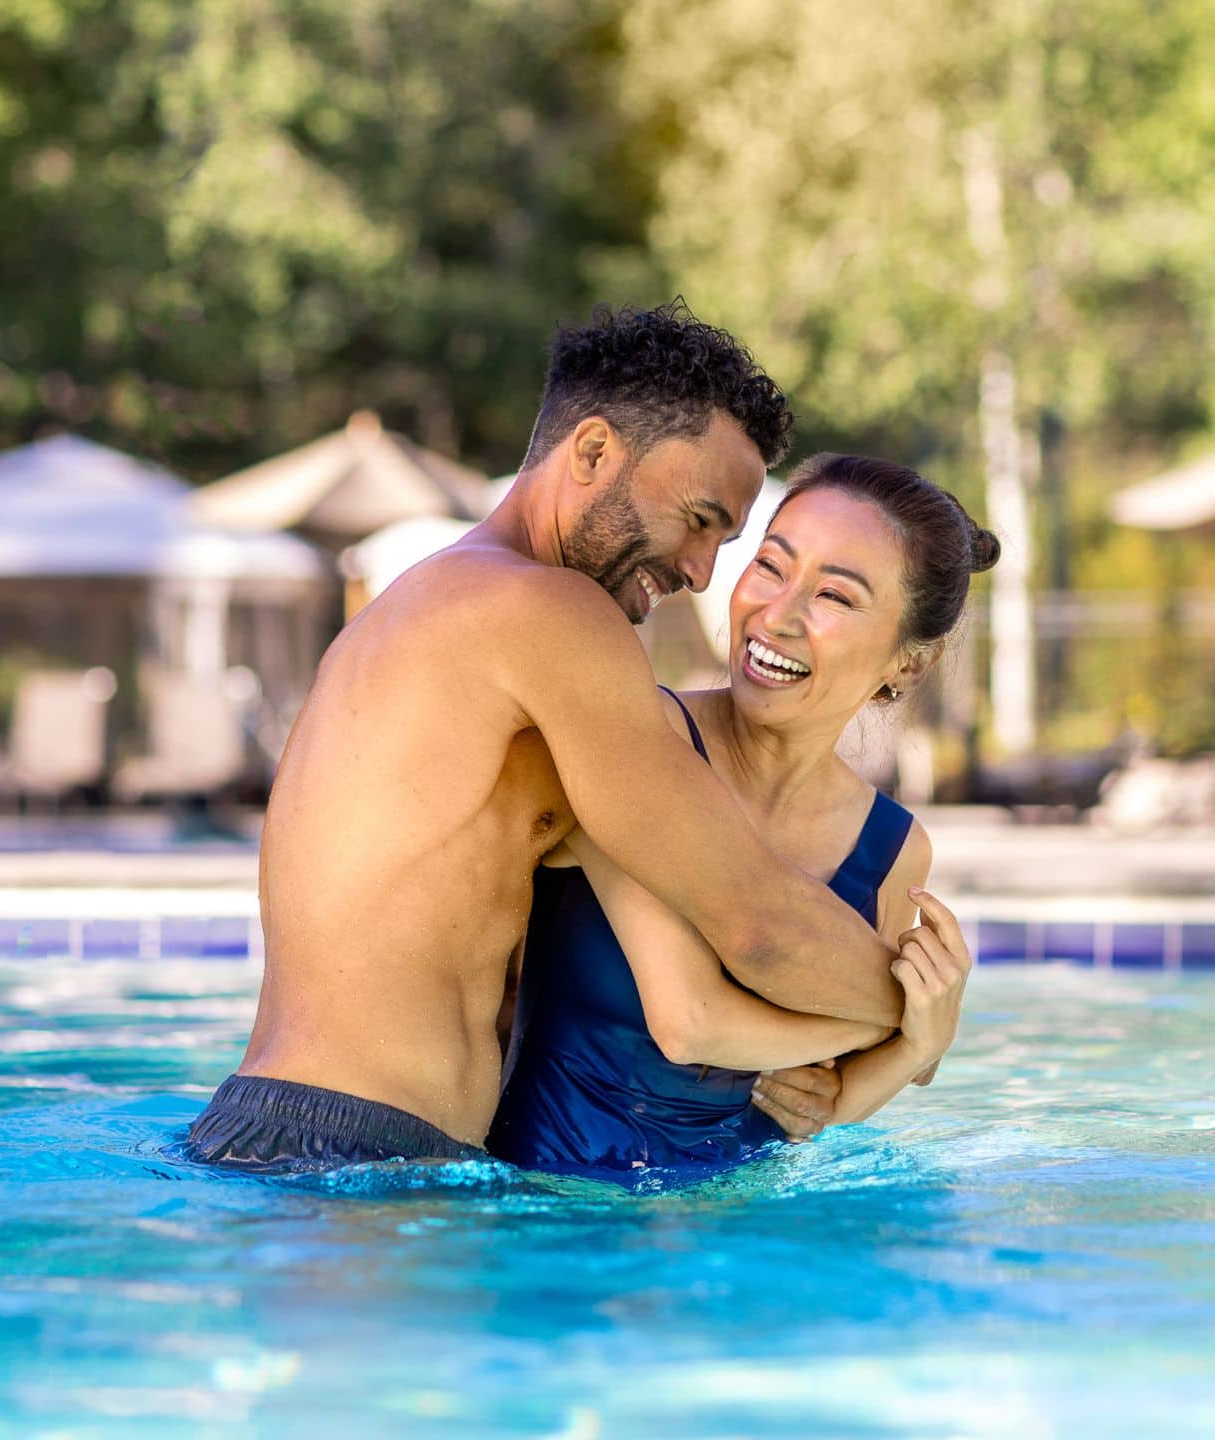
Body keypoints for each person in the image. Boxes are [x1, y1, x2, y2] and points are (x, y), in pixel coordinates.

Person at [185, 303, 905, 1170]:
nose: (702, 570)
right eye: (700, 519)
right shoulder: (549, 610)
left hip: (290, 1129)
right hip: (361, 1157)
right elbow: (755, 924)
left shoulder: (427, 602)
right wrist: (921, 1006)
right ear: (594, 452)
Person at [490, 454, 994, 1176]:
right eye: (769, 566)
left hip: (744, 1235)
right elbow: (687, 1024)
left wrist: (912, 1048)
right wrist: (910, 1027)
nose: (777, 615)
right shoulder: (640, 737)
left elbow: (825, 1099)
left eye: (836, 597)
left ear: (908, 665)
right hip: (560, 1223)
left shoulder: (891, 849)